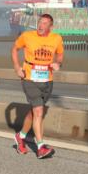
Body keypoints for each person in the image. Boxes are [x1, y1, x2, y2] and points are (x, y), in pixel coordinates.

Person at [11, 13, 64, 159]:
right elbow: (14, 49)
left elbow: (60, 55)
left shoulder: (56, 38)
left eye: (45, 23)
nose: (41, 25)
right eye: (40, 22)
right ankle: (40, 147)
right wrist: (17, 68)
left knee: (35, 111)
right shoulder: (27, 36)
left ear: (50, 26)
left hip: (47, 79)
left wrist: (58, 63)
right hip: (29, 78)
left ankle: (20, 136)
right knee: (39, 111)